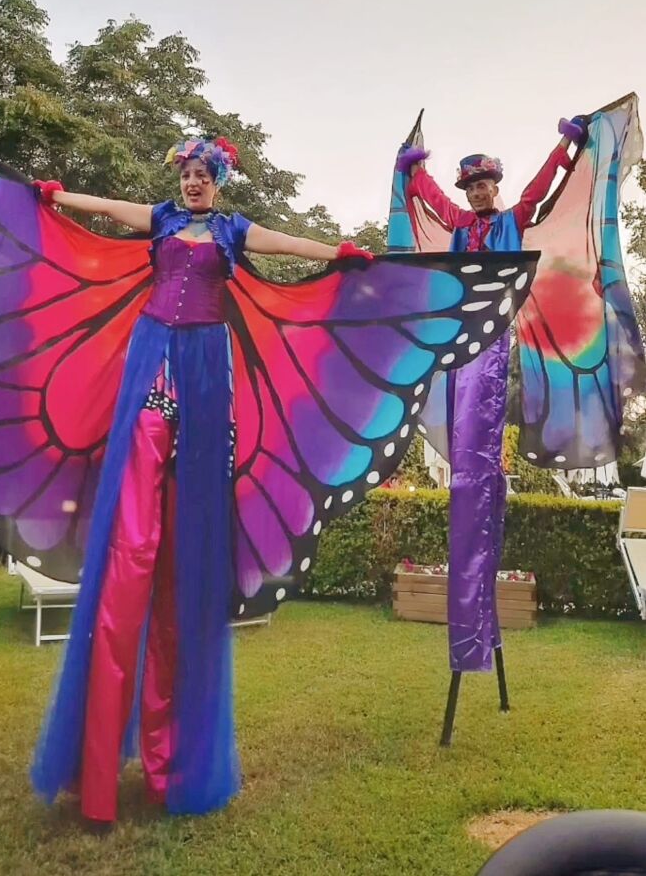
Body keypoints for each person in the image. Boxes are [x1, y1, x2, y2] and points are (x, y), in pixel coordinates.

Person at [29, 137, 376, 824]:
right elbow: (109, 208)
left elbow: (284, 241)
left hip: (207, 365)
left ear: (216, 183)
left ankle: (172, 759)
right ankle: (97, 769)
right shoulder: (160, 219)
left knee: (187, 533)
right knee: (135, 525)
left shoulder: (232, 230)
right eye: (186, 175)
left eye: (201, 177)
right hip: (154, 352)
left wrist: (336, 252)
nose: (192, 184)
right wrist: (57, 196)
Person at [399, 117, 585, 674]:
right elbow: (432, 201)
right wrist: (415, 171)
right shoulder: (461, 224)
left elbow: (541, 189)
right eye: (472, 187)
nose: (479, 193)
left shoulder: (509, 221)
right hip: (460, 334)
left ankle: (478, 494)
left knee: (478, 444)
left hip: (492, 337)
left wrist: (567, 144)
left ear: (494, 187)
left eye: (484, 185)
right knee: (461, 430)